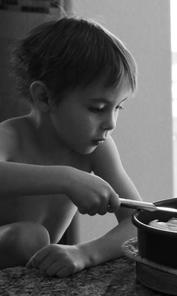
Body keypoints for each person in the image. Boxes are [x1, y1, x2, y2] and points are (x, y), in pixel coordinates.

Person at [0, 16, 141, 276]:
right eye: (97, 108)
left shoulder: (98, 147)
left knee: (33, 239)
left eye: (118, 107)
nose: (111, 122)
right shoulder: (10, 136)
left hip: (29, 277)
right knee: (28, 236)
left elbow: (139, 224)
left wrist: (85, 253)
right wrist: (65, 177)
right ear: (44, 97)